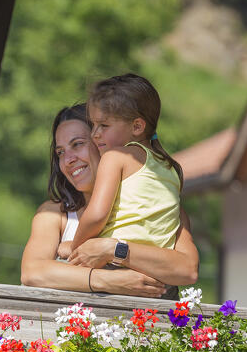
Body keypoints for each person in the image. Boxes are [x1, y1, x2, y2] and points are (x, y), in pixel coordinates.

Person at [21, 105, 198, 297]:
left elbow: (187, 269)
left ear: (103, 142)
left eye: (78, 144)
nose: (68, 160)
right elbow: (32, 272)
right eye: (60, 152)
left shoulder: (164, 210)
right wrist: (107, 281)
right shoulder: (54, 213)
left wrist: (113, 249)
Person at [62, 74, 182, 268]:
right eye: (93, 124)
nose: (94, 134)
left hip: (114, 265)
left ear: (136, 126)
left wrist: (77, 248)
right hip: (153, 269)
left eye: (104, 125)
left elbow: (96, 216)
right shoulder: (171, 168)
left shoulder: (115, 158)